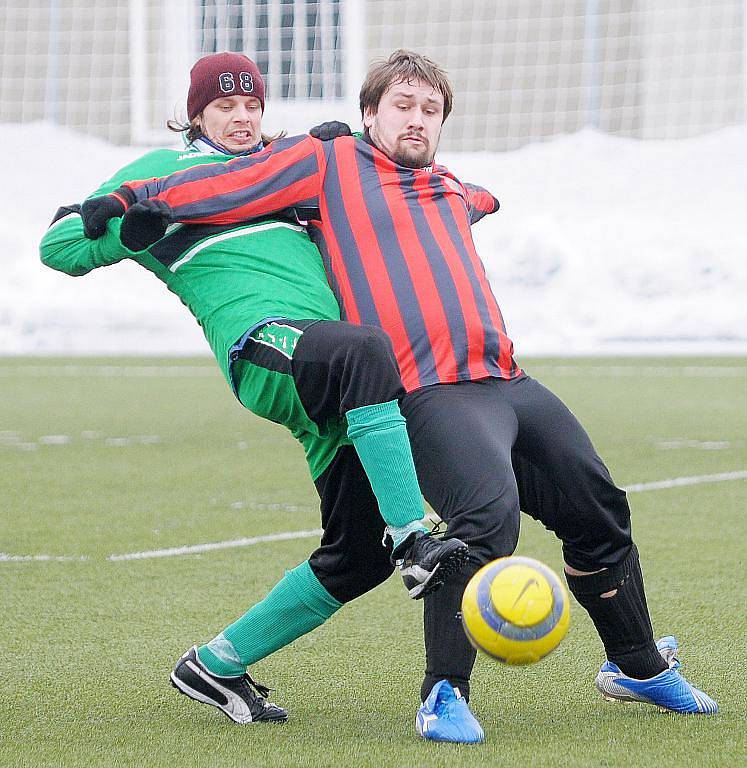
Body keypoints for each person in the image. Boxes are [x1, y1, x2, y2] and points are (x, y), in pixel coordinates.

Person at [79, 49, 718, 742]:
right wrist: (136, 203)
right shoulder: (328, 165)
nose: (416, 120)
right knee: (483, 527)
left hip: (506, 379)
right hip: (431, 394)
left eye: (430, 110)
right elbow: (232, 184)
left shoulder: (451, 186)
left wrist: (481, 199)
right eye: (402, 106)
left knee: (599, 510)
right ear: (368, 114)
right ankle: (443, 694)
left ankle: (637, 665)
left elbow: (483, 200)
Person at [39, 51, 470, 726]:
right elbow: (59, 246)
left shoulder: (277, 165)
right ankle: (415, 539)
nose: (241, 118)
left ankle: (215, 665)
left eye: (251, 106)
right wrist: (129, 223)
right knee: (364, 347)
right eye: (224, 107)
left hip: (335, 378)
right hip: (267, 347)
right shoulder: (161, 172)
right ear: (195, 113)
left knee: (356, 559)